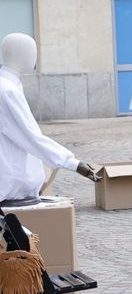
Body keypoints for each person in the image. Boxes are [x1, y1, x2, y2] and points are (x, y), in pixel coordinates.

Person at [0, 33, 99, 205]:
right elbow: (30, 136)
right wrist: (73, 164)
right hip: (11, 185)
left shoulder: (9, 86)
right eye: (32, 51)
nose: (35, 57)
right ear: (21, 54)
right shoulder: (7, 91)